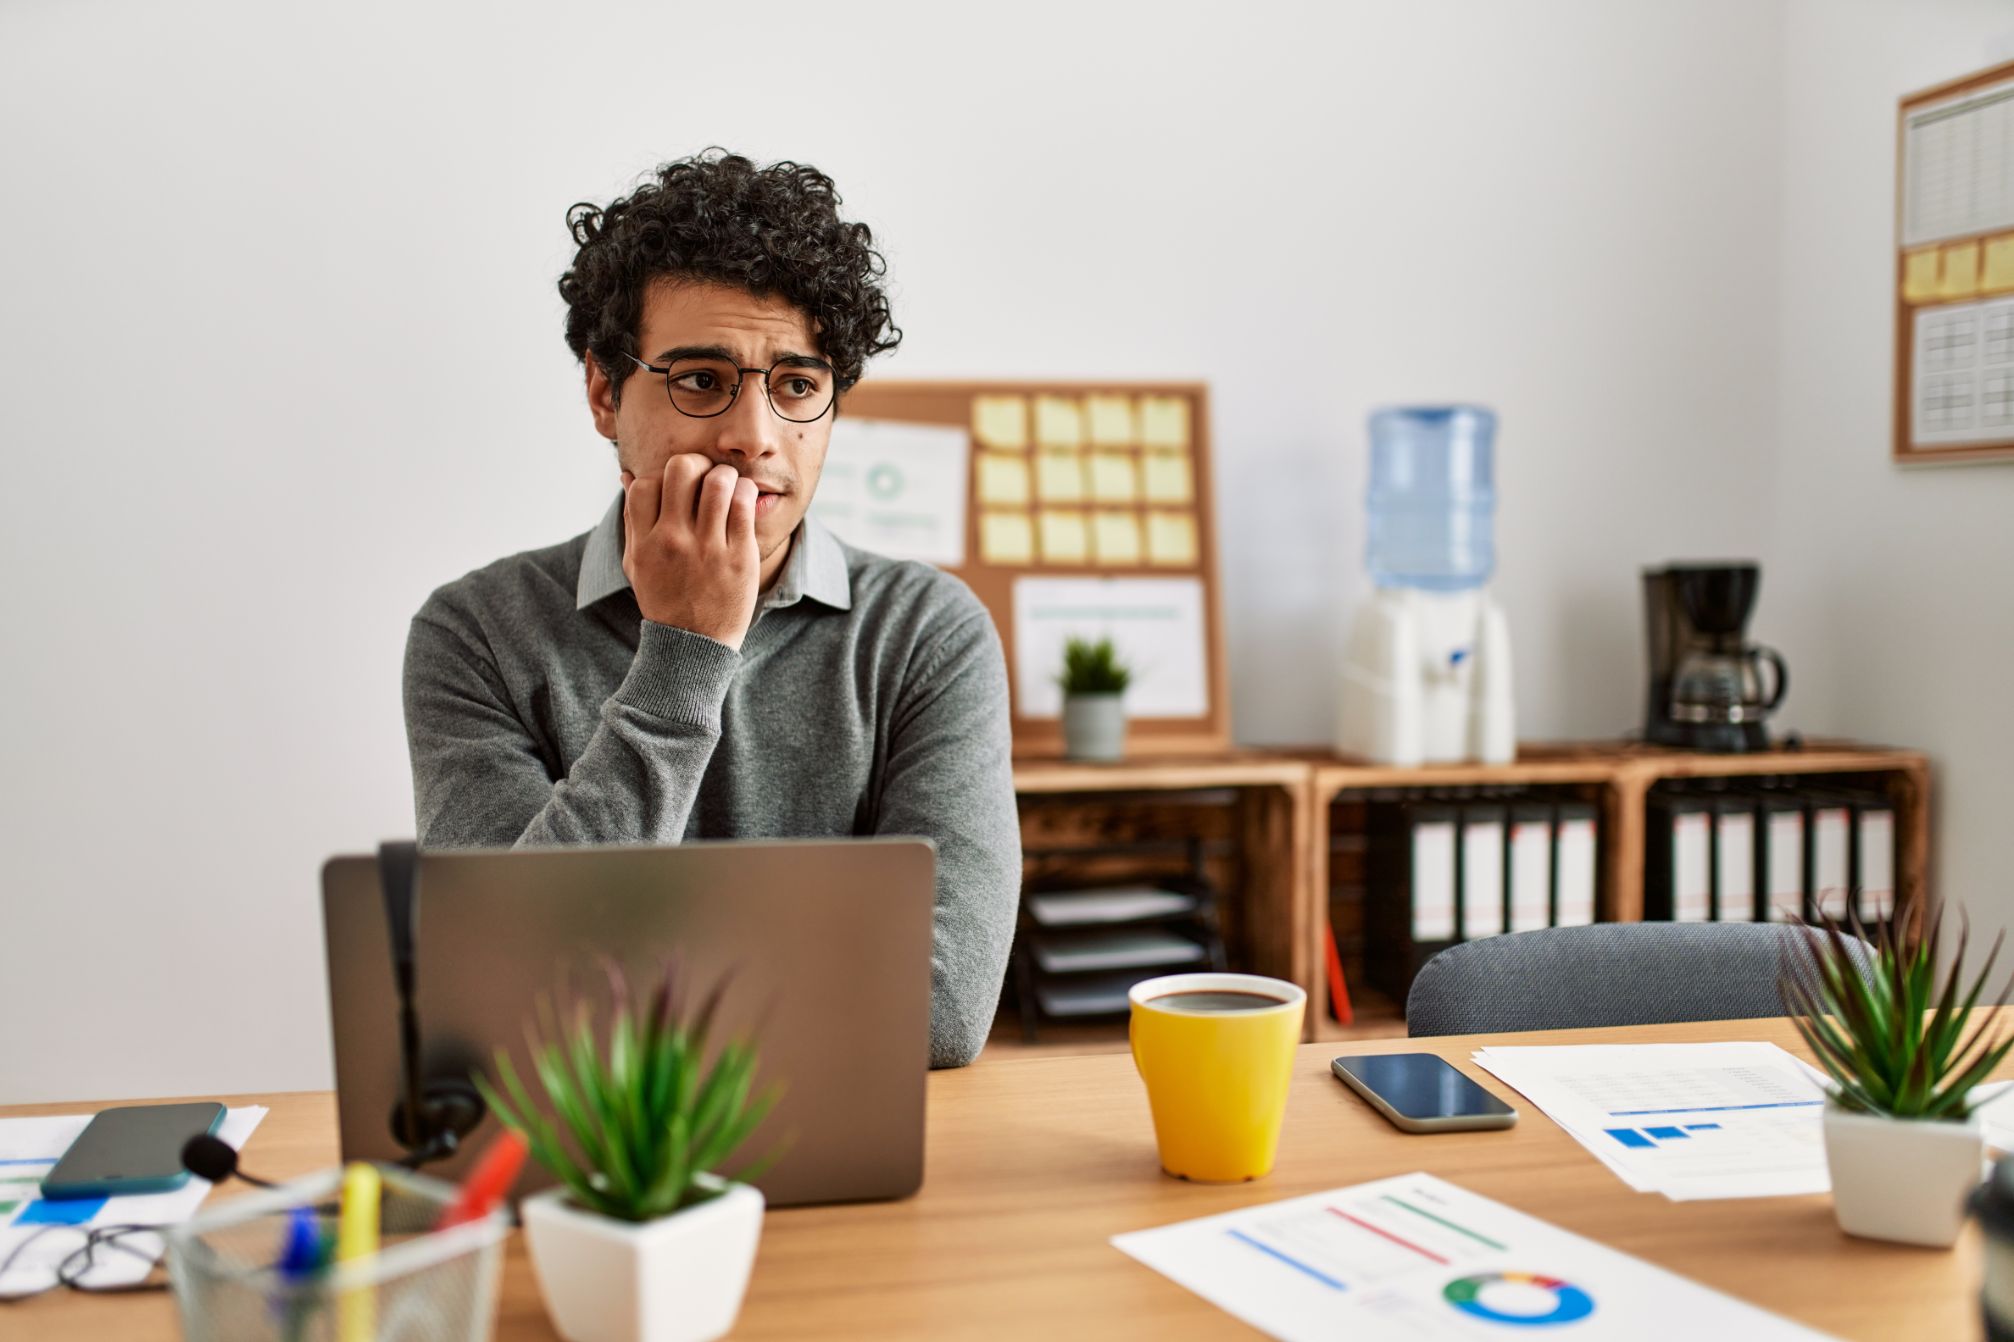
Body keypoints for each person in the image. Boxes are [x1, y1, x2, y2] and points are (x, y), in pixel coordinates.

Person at [402, 150, 1019, 1068]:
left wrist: (617, 991)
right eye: (700, 379)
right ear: (605, 394)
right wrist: (687, 651)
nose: (755, 436)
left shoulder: (928, 633)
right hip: (586, 1179)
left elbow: (937, 1011)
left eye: (798, 386)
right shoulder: (476, 634)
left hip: (854, 1163)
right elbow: (516, 998)